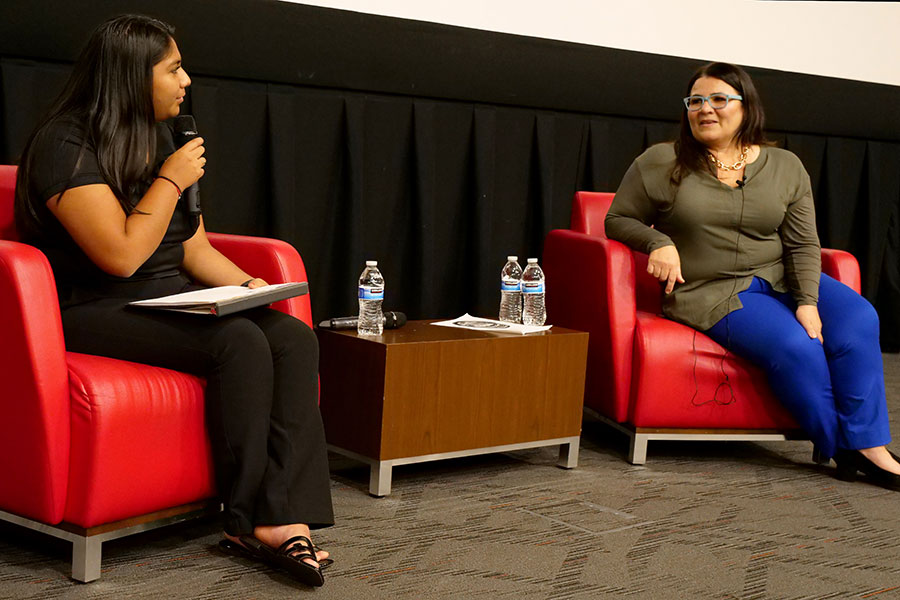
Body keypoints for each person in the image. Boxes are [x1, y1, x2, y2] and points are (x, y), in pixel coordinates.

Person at [14, 15, 335, 585]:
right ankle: (243, 520)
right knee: (238, 342)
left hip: (167, 297)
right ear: (132, 77)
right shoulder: (65, 144)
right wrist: (170, 179)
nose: (187, 80)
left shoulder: (166, 136)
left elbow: (191, 245)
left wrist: (248, 284)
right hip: (90, 306)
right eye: (173, 69)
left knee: (289, 337)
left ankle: (284, 515)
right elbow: (120, 256)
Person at [605, 62, 900, 490]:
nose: (706, 109)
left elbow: (802, 244)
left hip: (779, 275)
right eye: (696, 101)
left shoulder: (785, 166)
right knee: (795, 346)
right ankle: (846, 447)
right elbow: (617, 219)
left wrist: (807, 301)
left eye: (719, 99)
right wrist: (657, 242)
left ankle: (870, 444)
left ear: (747, 108)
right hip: (713, 289)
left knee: (859, 318)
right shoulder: (661, 161)